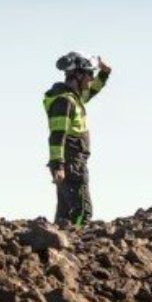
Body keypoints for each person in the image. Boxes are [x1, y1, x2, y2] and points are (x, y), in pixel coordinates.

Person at [43, 51, 112, 228]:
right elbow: (57, 135)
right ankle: (76, 242)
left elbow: (92, 91)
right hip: (72, 160)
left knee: (64, 213)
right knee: (82, 211)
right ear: (77, 75)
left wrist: (104, 73)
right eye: (89, 74)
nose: (91, 79)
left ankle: (60, 245)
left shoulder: (74, 98)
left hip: (73, 160)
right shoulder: (65, 101)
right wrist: (57, 165)